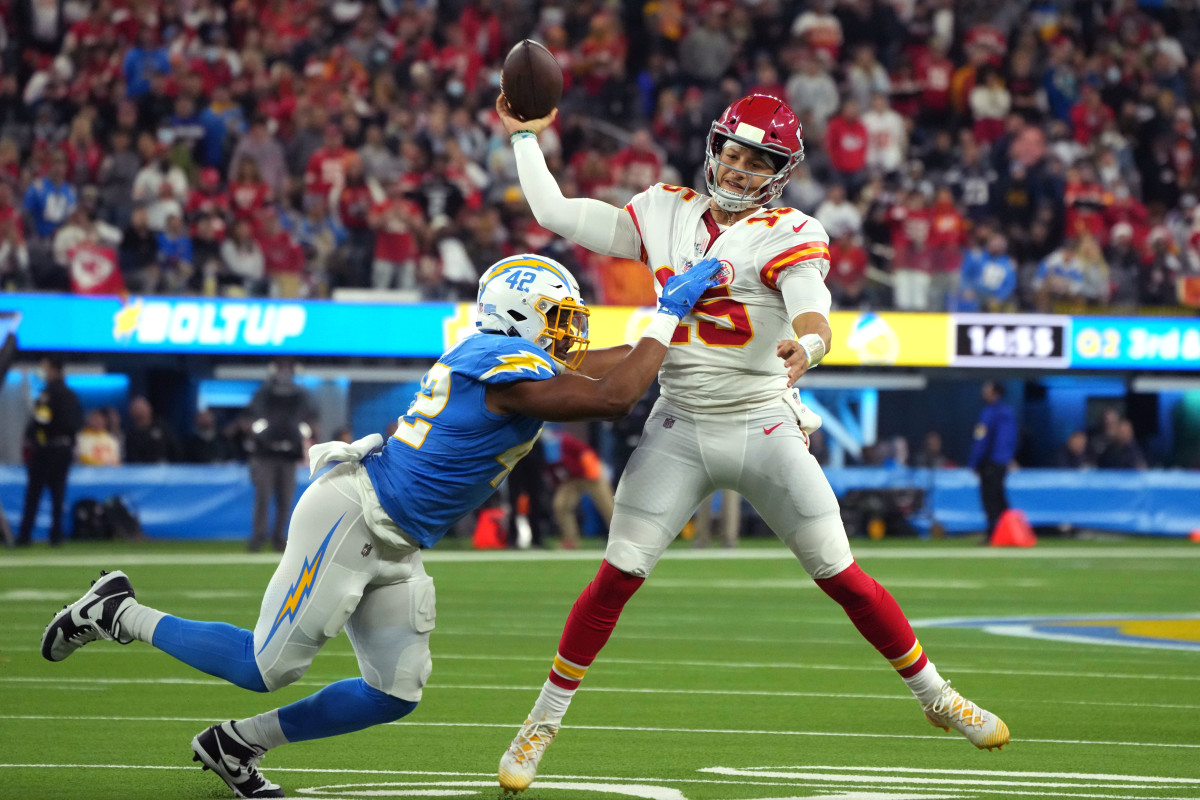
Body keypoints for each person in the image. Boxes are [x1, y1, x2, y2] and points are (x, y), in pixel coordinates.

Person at [40, 252, 720, 800]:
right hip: (357, 513)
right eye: (558, 316)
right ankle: (116, 611)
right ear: (518, 313)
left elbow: (611, 368)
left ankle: (236, 744)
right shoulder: (495, 360)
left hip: (396, 535)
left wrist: (678, 340)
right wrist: (665, 316)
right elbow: (613, 395)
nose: (570, 330)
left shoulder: (516, 360)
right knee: (263, 665)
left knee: (393, 692)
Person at [493, 92, 1010, 793]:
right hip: (677, 423)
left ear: (779, 170)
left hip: (764, 419)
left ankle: (938, 698)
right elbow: (554, 213)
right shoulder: (665, 210)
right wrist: (526, 138)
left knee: (843, 576)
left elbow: (812, 306)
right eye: (733, 153)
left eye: (756, 160)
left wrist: (811, 346)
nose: (737, 169)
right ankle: (541, 723)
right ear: (716, 148)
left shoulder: (789, 231)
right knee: (616, 577)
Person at [246, 359, 316, 552]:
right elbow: (254, 416)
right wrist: (261, 437)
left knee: (285, 499)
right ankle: (258, 536)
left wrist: (301, 437)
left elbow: (310, 415)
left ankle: (279, 537)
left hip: (289, 456)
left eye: (288, 370)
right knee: (263, 497)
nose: (284, 374)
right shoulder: (264, 393)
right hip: (265, 455)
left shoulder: (301, 395)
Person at [17, 358, 82, 546]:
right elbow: (77, 422)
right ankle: (56, 535)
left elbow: (42, 420)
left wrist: (34, 436)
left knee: (34, 493)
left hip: (48, 449)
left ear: (54, 371)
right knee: (58, 494)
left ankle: (25, 535)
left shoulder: (48, 394)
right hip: (65, 449)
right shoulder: (71, 395)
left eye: (47, 371)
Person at [547, 428, 614, 549]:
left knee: (607, 506)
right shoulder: (542, 450)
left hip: (590, 473)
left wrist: (593, 474)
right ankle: (570, 540)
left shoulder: (565, 441)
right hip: (572, 478)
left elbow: (586, 452)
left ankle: (620, 538)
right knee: (561, 505)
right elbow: (553, 471)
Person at [968, 381, 1017, 544]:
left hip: (989, 462)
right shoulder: (1009, 412)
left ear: (995, 393)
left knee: (990, 499)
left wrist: (975, 462)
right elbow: (1009, 440)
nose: (983, 393)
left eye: (986, 390)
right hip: (1001, 462)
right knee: (1000, 498)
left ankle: (994, 534)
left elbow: (981, 439)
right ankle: (1009, 532)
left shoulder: (989, 413)